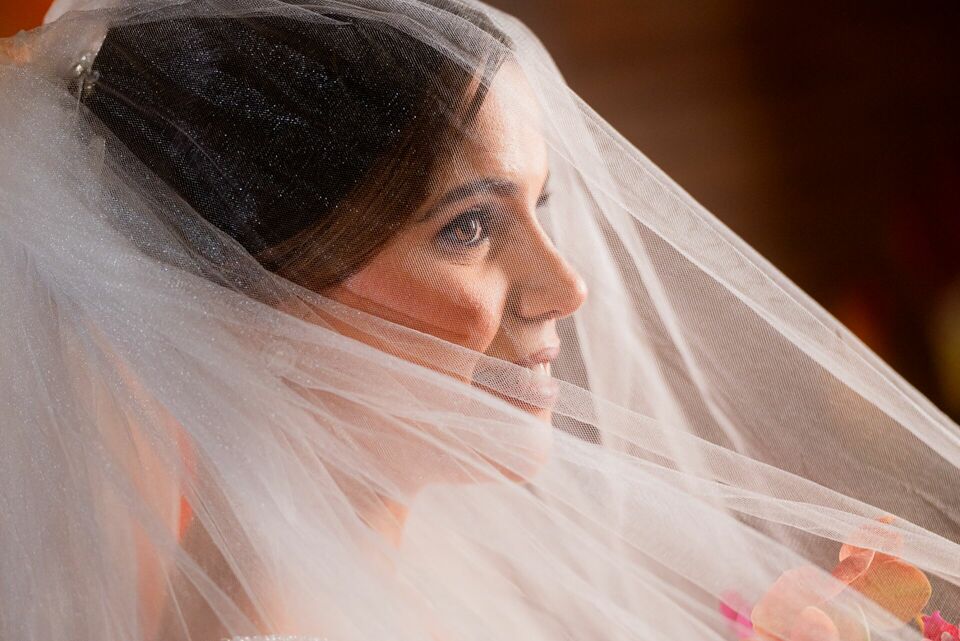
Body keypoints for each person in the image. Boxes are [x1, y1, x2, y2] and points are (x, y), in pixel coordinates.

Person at [1, 1, 958, 641]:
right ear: (239, 294)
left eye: (542, 206)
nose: (566, 286)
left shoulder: (416, 588)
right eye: (468, 226)